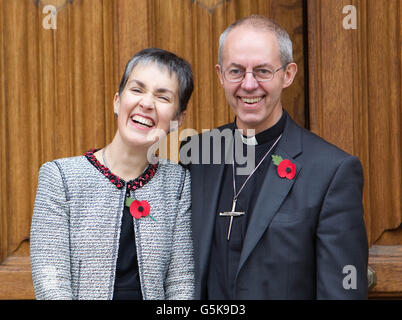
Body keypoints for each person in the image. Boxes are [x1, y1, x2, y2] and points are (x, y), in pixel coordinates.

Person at [180, 15, 368, 299]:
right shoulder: (196, 155)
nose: (249, 84)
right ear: (220, 75)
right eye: (236, 71)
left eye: (263, 71)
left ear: (288, 74)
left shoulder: (332, 171)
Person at [30, 48, 195, 300]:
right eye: (137, 90)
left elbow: (181, 282)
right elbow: (50, 280)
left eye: (163, 97)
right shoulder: (60, 177)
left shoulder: (179, 184)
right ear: (118, 101)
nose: (146, 103)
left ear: (178, 118)